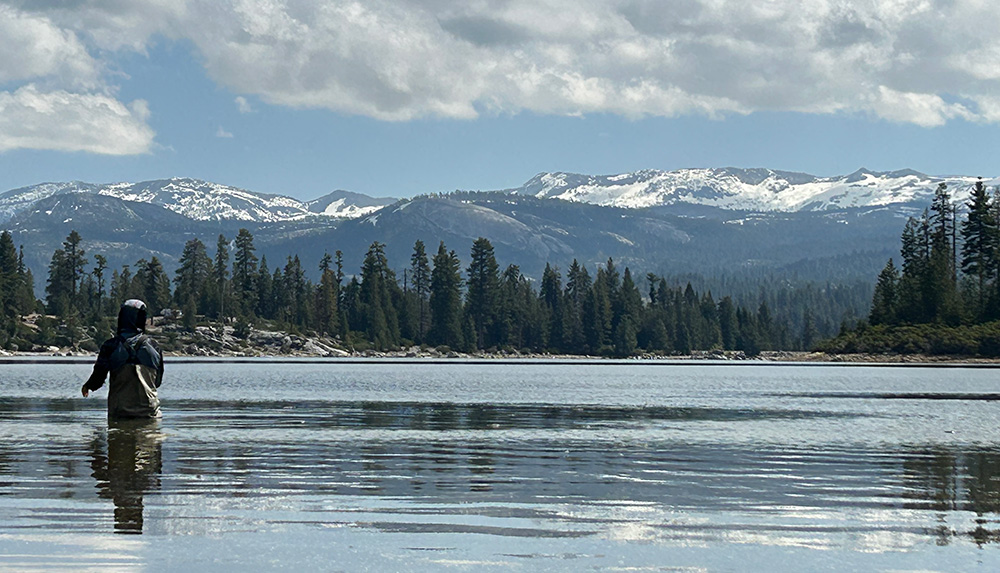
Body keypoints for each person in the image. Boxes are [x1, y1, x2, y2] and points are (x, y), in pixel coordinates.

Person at [82, 299, 164, 419]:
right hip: (149, 412)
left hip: (119, 412)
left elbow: (98, 377)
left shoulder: (110, 346)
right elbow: (157, 382)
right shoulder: (154, 346)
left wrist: (88, 386)